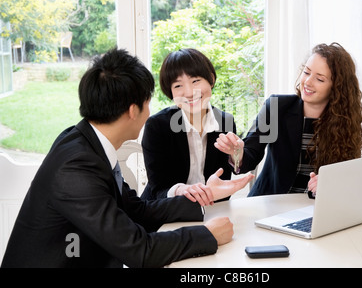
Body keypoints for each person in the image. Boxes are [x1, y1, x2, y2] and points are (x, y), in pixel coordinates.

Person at [1, 48, 253, 268]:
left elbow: (137, 210)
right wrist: (206, 235)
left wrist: (206, 195)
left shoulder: (86, 143)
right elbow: (139, 250)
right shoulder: (76, 167)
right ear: (134, 110)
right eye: (148, 102)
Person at [215, 42, 362, 196]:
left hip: (315, 208)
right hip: (271, 204)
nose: (307, 82)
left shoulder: (345, 120)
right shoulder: (276, 107)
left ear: (337, 87)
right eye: (306, 72)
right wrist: (237, 153)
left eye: (320, 79)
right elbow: (250, 156)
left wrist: (331, 181)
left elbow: (348, 173)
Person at [140, 48, 237, 206]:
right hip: (164, 212)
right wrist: (181, 191)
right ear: (170, 92)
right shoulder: (157, 126)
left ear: (211, 80)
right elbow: (158, 189)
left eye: (195, 81)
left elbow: (222, 183)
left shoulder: (225, 122)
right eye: (178, 86)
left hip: (210, 210)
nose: (189, 93)